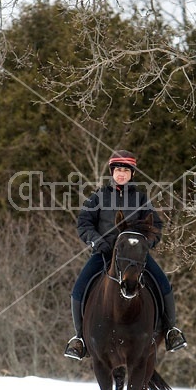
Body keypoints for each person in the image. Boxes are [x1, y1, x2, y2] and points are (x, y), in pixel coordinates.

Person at [64, 149, 187, 360]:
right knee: (78, 289)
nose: (121, 174)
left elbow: (156, 226)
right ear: (112, 172)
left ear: (132, 174)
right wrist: (98, 241)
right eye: (118, 170)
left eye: (125, 170)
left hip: (134, 258)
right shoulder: (98, 197)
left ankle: (171, 331)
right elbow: (84, 223)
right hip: (104, 254)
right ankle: (79, 339)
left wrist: (145, 244)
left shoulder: (140, 198)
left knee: (163, 284)